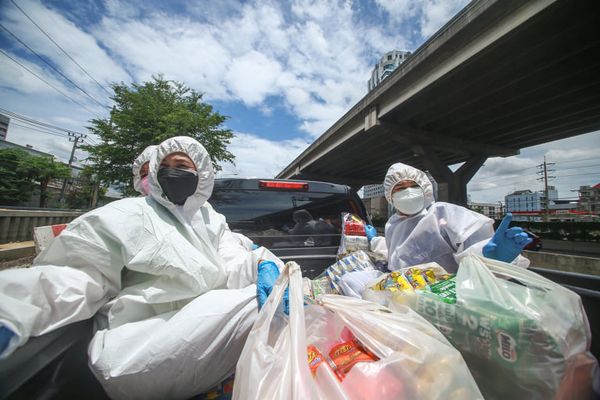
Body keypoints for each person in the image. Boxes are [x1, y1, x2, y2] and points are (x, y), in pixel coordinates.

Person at [0, 136, 282, 399]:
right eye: (164, 165)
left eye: (182, 166)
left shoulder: (208, 219)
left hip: (189, 338)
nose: (171, 172)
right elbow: (76, 273)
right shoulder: (127, 215)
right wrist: (13, 311)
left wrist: (263, 263)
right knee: (264, 303)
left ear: (203, 174)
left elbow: (231, 260)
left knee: (275, 291)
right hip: (135, 350)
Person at [368, 162, 530, 273]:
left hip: (441, 302)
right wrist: (374, 239)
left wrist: (490, 257)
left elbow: (472, 243)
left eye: (414, 186)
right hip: (402, 297)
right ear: (390, 196)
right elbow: (395, 254)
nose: (408, 191)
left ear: (425, 188)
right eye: (401, 188)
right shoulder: (394, 224)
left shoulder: (442, 214)